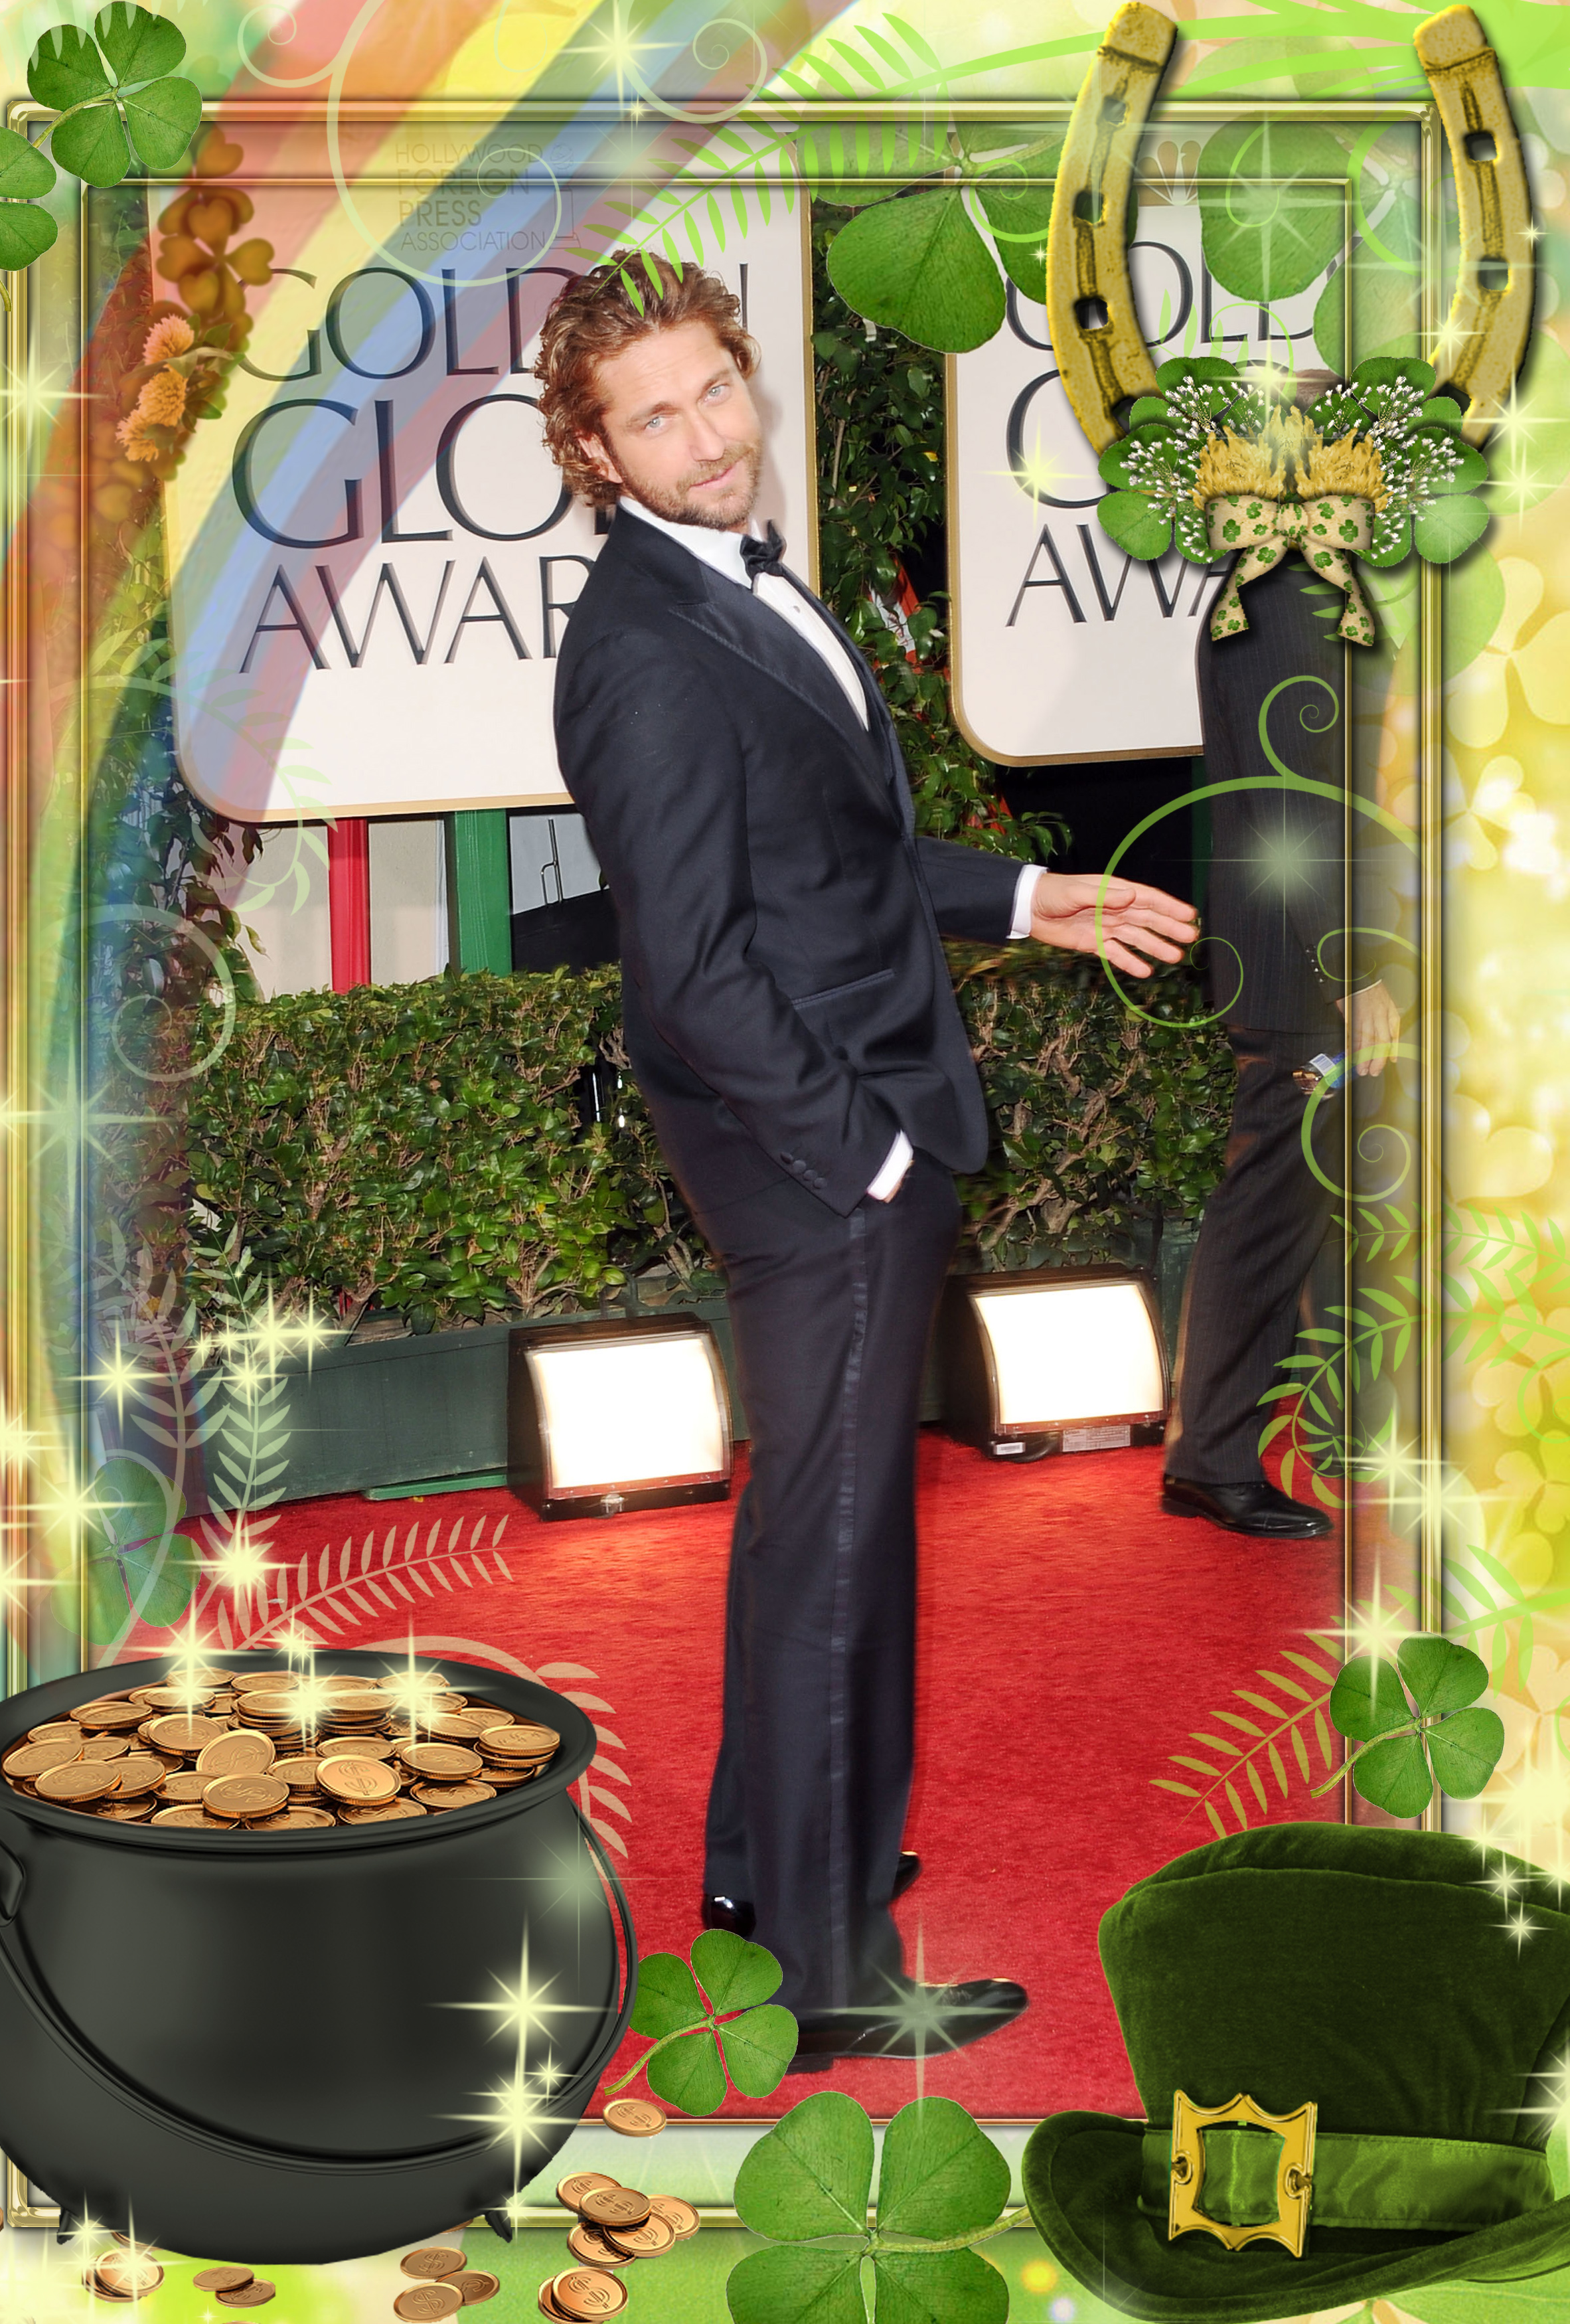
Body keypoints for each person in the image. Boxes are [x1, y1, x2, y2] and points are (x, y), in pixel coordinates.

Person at [534, 254, 1198, 2066]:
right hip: (819, 1146)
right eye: (653, 418)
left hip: (834, 1122)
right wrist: (872, 1161)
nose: (705, 437)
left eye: (713, 390)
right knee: (838, 1549)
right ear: (594, 454)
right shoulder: (645, 651)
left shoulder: (724, 578)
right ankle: (827, 1976)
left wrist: (1033, 897)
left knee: (811, 1529)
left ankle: (765, 1879)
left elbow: (826, 864)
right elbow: (691, 967)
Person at [1161, 461, 1402, 1540]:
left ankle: (1350, 1426)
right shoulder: (1283, 597)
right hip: (1312, 979)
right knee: (1274, 1206)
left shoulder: (1308, 587)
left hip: (1327, 970)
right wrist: (1355, 966)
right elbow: (1297, 801)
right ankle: (1212, 1457)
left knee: (1343, 1198)